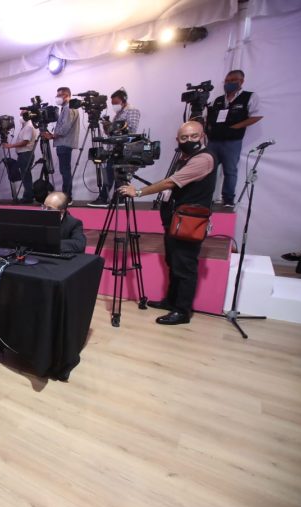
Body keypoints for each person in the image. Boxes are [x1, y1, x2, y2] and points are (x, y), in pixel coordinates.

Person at [118, 121, 217, 325]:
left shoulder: (204, 159)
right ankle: (171, 302)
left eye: (193, 136)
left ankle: (182, 311)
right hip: (176, 219)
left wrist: (137, 192)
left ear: (203, 136)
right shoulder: (186, 157)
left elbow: (171, 182)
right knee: (174, 263)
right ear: (177, 140)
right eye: (184, 138)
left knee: (185, 266)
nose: (189, 140)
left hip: (189, 222)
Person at [206, 69, 263, 208]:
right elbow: (208, 118)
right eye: (227, 81)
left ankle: (228, 200)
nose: (229, 83)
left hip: (232, 141)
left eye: (233, 80)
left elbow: (256, 116)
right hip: (213, 141)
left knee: (230, 171)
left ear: (241, 81)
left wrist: (236, 127)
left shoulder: (249, 97)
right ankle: (205, 198)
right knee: (207, 170)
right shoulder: (218, 100)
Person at [89, 89, 142, 207]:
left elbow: (131, 129)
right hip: (114, 147)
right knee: (110, 173)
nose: (114, 106)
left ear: (123, 101)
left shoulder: (132, 110)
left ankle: (117, 198)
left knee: (118, 173)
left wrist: (113, 127)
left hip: (124, 148)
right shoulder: (119, 113)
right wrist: (107, 126)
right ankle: (111, 197)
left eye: (116, 103)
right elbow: (111, 134)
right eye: (112, 103)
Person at [43, 87, 80, 204]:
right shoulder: (65, 108)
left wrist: (52, 136)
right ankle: (67, 196)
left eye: (59, 95)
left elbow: (64, 128)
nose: (57, 97)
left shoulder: (69, 108)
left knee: (65, 171)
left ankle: (67, 197)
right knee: (65, 170)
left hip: (64, 143)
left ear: (66, 95)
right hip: (63, 143)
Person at [3, 109, 39, 203]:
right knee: (25, 176)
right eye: (20, 114)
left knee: (25, 176)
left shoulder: (29, 127)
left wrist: (11, 146)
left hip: (26, 154)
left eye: (23, 114)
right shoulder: (25, 126)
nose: (21, 117)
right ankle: (28, 196)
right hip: (24, 154)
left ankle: (28, 197)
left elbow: (25, 142)